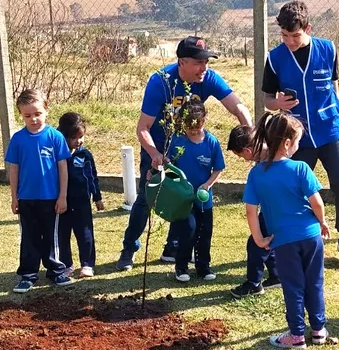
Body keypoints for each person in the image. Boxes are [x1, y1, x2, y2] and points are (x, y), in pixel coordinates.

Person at [116, 36, 252, 271]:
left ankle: (173, 247)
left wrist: (250, 133)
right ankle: (129, 248)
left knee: (186, 197)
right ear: (182, 62)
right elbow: (142, 128)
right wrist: (155, 154)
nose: (204, 68)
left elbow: (237, 106)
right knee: (146, 200)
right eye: (198, 63)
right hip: (159, 147)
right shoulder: (161, 82)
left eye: (206, 62)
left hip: (188, 148)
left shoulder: (207, 78)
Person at [263, 0, 339, 268]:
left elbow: (334, 87)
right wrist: (277, 105)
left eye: (295, 35)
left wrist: (336, 114)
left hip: (331, 130)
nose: (289, 41)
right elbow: (267, 101)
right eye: (284, 36)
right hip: (297, 137)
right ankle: (296, 237)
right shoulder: (275, 58)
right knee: (296, 188)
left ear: (308, 28)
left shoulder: (327, 49)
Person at [244, 111, 332, 350]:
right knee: (315, 282)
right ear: (286, 143)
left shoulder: (256, 173)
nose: (298, 146)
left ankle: (296, 336)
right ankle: (319, 330)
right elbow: (317, 203)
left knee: (293, 286)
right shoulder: (301, 168)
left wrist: (259, 239)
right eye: (297, 141)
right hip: (311, 236)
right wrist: (322, 222)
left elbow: (251, 211)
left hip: (283, 241)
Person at [5, 89, 73, 293]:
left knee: (52, 237)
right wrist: (14, 197)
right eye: (27, 115)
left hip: (51, 198)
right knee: (29, 237)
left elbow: (63, 168)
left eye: (37, 114)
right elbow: (14, 169)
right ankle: (27, 274)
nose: (33, 119)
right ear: (21, 115)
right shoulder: (17, 139)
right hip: (26, 198)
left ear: (46, 111)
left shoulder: (55, 137)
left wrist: (62, 196)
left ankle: (55, 271)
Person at [166, 99, 225, 283]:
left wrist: (207, 184)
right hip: (183, 199)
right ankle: (181, 266)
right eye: (190, 128)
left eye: (197, 128)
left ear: (204, 121)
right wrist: (165, 163)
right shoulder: (176, 141)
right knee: (188, 230)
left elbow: (218, 169)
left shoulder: (211, 142)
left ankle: (203, 266)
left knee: (204, 231)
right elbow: (169, 166)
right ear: (183, 123)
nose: (193, 131)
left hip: (203, 199)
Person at [227, 124, 281, 298]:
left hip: (273, 212)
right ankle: (277, 275)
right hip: (282, 209)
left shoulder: (258, 172)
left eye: (240, 155)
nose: (243, 159)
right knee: (270, 241)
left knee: (257, 243)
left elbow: (251, 209)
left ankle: (253, 283)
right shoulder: (277, 151)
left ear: (247, 150)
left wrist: (257, 236)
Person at [56, 112, 104, 279]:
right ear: (64, 136)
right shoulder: (57, 154)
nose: (79, 141)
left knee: (85, 234)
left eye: (81, 137)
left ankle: (87, 264)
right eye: (74, 138)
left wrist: (97, 197)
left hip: (82, 201)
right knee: (63, 235)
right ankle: (66, 265)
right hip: (62, 203)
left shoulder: (85, 155)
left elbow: (93, 176)